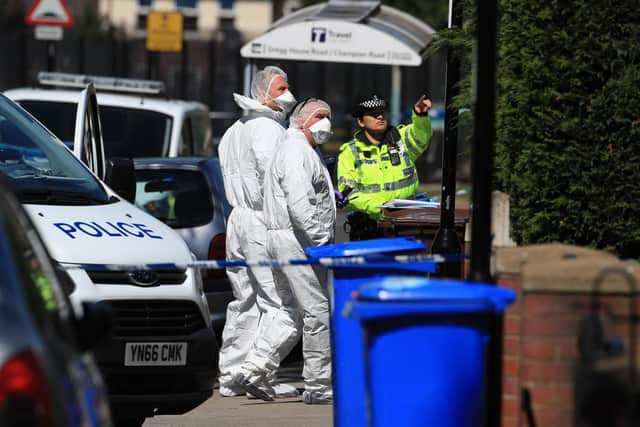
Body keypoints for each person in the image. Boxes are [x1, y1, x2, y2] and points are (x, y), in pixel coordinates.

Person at [217, 65, 301, 399]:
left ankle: (231, 376)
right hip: (261, 221)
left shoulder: (235, 128)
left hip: (237, 220)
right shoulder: (267, 128)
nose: (288, 93)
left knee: (244, 300)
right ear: (262, 92)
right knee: (278, 301)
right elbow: (275, 174)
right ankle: (258, 374)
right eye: (281, 89)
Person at [262, 98, 336, 404]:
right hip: (299, 241)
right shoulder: (296, 152)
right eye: (320, 115)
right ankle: (319, 385)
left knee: (290, 310)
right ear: (302, 120)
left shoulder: (302, 150)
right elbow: (300, 204)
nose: (326, 122)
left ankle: (255, 368)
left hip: (290, 239)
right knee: (317, 312)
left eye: (329, 116)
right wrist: (320, 242)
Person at [336, 93, 433, 239]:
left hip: (408, 224)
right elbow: (348, 192)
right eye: (374, 114)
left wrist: (420, 115)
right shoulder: (350, 152)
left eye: (382, 112)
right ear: (361, 122)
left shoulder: (401, 140)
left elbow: (421, 136)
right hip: (368, 229)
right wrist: (381, 208)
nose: (380, 117)